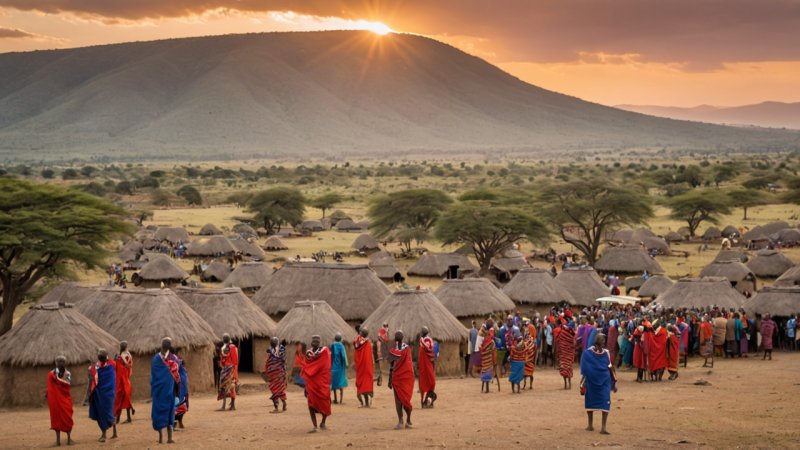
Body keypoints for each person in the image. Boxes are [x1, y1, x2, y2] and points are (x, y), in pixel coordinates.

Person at [580, 334, 617, 435]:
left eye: (604, 341)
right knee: (590, 402)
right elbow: (584, 368)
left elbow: (610, 367)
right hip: (591, 382)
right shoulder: (588, 353)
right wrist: (582, 383)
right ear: (597, 342)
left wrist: (614, 382)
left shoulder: (607, 353)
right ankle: (590, 425)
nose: (603, 343)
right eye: (602, 341)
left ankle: (603, 427)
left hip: (605, 381)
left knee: (605, 401)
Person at [151, 338, 180, 444]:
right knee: (168, 412)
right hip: (162, 391)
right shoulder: (173, 359)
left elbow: (153, 377)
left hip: (164, 392)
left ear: (162, 346)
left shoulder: (156, 359)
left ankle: (164, 438)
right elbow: (177, 374)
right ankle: (167, 438)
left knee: (165, 412)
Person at [301, 335, 331, 433]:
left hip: (322, 382)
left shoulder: (325, 351)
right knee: (311, 404)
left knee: (326, 402)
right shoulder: (308, 353)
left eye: (317, 340)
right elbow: (305, 366)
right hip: (311, 383)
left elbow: (326, 365)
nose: (315, 341)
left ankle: (323, 422)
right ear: (311, 341)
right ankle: (314, 426)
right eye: (314, 340)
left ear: (320, 341)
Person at [88, 349, 117, 443]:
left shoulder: (95, 368)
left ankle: (104, 435)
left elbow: (92, 381)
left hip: (103, 394)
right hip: (109, 394)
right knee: (110, 411)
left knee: (102, 413)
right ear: (106, 358)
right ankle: (114, 432)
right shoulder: (112, 365)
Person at [388, 330, 414, 430]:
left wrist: (390, 380)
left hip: (400, 378)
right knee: (405, 399)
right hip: (403, 378)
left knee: (399, 400)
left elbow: (391, 366)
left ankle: (402, 421)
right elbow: (409, 364)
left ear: (395, 339)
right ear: (402, 338)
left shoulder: (394, 350)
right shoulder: (407, 349)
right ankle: (407, 420)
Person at [47, 356, 74, 446]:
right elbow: (51, 387)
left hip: (65, 399)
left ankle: (69, 439)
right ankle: (58, 440)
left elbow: (67, 385)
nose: (60, 363)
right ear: (55, 363)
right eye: (59, 361)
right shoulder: (51, 374)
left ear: (65, 363)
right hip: (55, 400)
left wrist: (57, 379)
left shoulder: (68, 373)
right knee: (56, 418)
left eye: (62, 361)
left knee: (67, 417)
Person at [264, 337, 288, 413]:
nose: (272, 343)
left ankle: (278, 406)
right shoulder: (270, 350)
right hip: (273, 373)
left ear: (277, 342)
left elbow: (283, 361)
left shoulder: (281, 350)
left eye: (274, 341)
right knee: (276, 389)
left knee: (277, 389)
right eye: (272, 342)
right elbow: (268, 361)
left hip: (278, 373)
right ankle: (281, 404)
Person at [114, 341, 134, 424]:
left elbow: (116, 369)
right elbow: (130, 367)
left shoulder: (118, 357)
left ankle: (117, 419)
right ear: (126, 347)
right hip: (126, 381)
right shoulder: (129, 356)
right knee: (127, 398)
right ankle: (128, 418)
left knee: (119, 399)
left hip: (120, 381)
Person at [354, 326, 374, 408]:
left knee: (361, 386)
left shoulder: (358, 341)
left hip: (361, 368)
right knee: (365, 385)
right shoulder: (368, 343)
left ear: (361, 333)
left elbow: (355, 344)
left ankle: (363, 403)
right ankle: (366, 403)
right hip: (367, 367)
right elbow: (370, 357)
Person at [217, 333, 239, 411]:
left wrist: (233, 369)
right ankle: (226, 405)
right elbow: (224, 360)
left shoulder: (229, 348)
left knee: (229, 386)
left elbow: (234, 360)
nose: (224, 339)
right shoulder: (226, 348)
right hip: (228, 369)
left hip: (229, 369)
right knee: (226, 386)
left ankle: (229, 405)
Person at [418, 326, 437, 407]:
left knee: (432, 382)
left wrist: (421, 339)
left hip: (428, 365)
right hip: (423, 366)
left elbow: (428, 348)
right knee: (423, 384)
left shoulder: (427, 340)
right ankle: (423, 402)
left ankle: (428, 400)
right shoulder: (424, 341)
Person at [555, 318, 576, 389]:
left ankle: (566, 384)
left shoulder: (562, 332)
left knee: (564, 368)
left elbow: (559, 342)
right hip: (568, 354)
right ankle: (568, 384)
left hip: (564, 354)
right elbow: (573, 344)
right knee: (568, 368)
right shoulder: (572, 334)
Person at [330, 333, 348, 404]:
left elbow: (332, 356)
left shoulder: (332, 345)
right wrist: (345, 365)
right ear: (340, 339)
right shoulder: (341, 346)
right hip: (340, 366)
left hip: (334, 366)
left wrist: (331, 365)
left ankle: (335, 399)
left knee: (334, 382)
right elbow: (343, 356)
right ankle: (341, 400)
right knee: (340, 382)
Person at [174, 349, 189, 431]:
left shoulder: (182, 364)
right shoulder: (176, 363)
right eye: (180, 353)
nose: (181, 354)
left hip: (184, 387)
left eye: (182, 353)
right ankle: (175, 422)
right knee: (178, 405)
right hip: (179, 387)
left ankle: (180, 421)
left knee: (184, 405)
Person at [479, 324, 496, 393]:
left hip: (484, 359)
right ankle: (487, 389)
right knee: (487, 372)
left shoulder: (483, 341)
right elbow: (493, 350)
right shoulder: (491, 342)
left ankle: (485, 389)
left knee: (484, 371)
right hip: (488, 359)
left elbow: (481, 349)